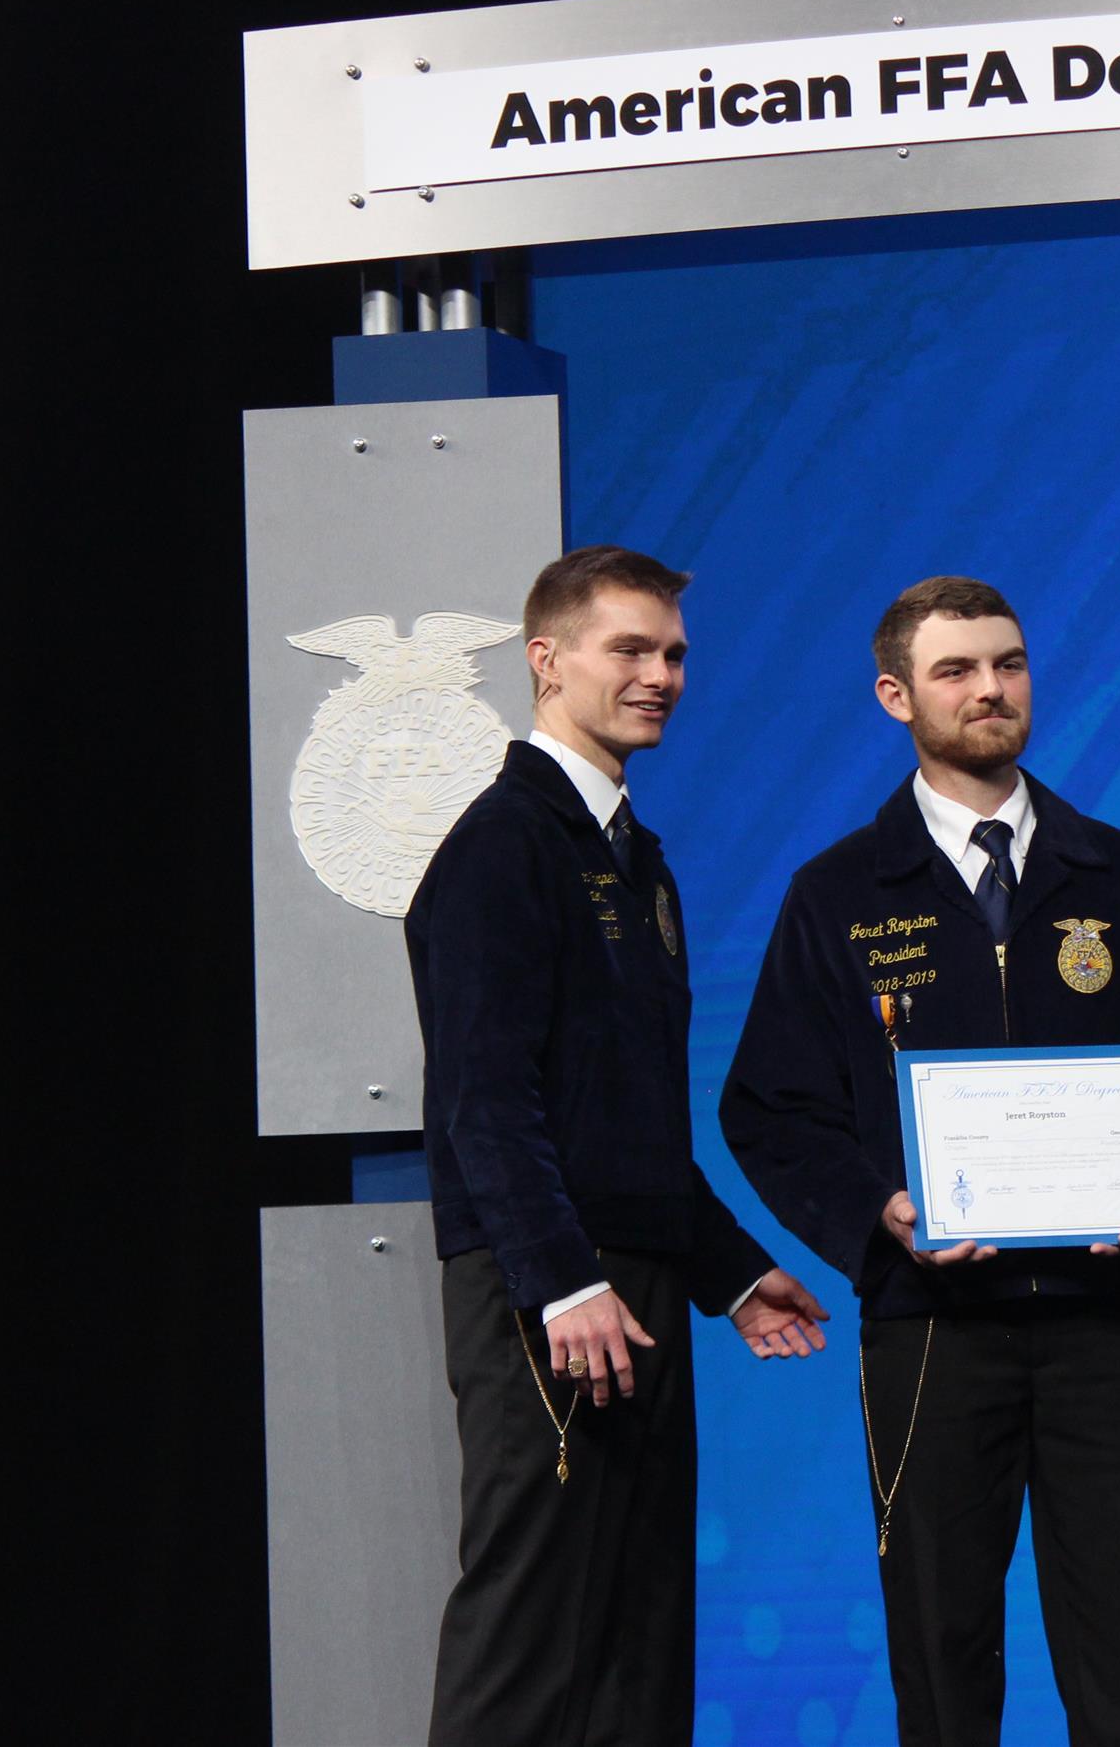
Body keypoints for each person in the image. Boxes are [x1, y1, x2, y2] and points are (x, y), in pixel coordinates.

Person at [720, 575, 1120, 1747]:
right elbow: (770, 1106)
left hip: (1103, 1325)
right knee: (942, 1672)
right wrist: (879, 1213)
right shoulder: (837, 894)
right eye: (956, 670)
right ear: (895, 696)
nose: (989, 689)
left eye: (1008, 664)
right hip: (931, 1334)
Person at [406, 544, 830, 1747]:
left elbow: (627, 1122)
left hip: (626, 1289)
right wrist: (559, 1281)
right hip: (546, 1292)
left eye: (674, 653)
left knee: (637, 1641)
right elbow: (485, 1099)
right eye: (629, 648)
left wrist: (730, 1273)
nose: (660, 675)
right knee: (532, 1636)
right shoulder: (502, 844)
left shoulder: (636, 858)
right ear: (545, 660)